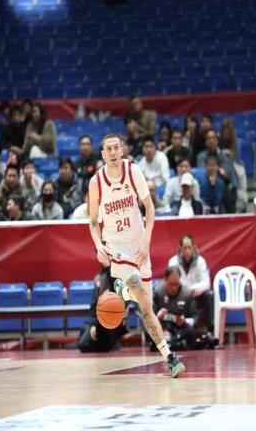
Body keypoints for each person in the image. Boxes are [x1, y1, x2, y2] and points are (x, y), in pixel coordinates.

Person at [88, 133, 185, 377]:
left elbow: (150, 208)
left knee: (147, 309)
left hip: (139, 247)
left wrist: (146, 241)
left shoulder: (133, 172)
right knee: (138, 291)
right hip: (117, 249)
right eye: (108, 149)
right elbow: (93, 221)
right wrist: (99, 245)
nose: (113, 152)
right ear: (102, 153)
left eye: (116, 147)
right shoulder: (96, 182)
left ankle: (122, 296)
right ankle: (170, 357)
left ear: (122, 150)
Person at [168, 234, 213, 335]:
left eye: (189, 247)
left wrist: (193, 289)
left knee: (209, 295)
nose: (187, 251)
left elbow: (206, 283)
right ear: (180, 249)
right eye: (185, 248)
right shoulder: (173, 262)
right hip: (180, 297)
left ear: (194, 248)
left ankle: (211, 330)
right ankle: (173, 331)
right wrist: (185, 291)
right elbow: (171, 282)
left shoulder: (201, 262)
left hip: (196, 296)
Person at [78, 266, 127, 353]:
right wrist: (93, 325)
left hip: (114, 321)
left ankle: (111, 343)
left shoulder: (119, 276)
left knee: (84, 344)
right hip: (99, 320)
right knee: (83, 332)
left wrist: (111, 298)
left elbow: (125, 299)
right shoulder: (98, 277)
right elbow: (93, 305)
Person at [152, 266, 199, 351]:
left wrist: (185, 321)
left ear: (180, 280)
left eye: (176, 284)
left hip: (180, 329)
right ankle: (169, 341)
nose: (174, 288)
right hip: (162, 328)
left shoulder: (187, 294)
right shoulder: (157, 292)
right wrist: (157, 318)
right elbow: (149, 317)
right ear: (165, 280)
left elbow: (195, 318)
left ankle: (172, 341)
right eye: (171, 284)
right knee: (149, 329)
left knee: (190, 331)